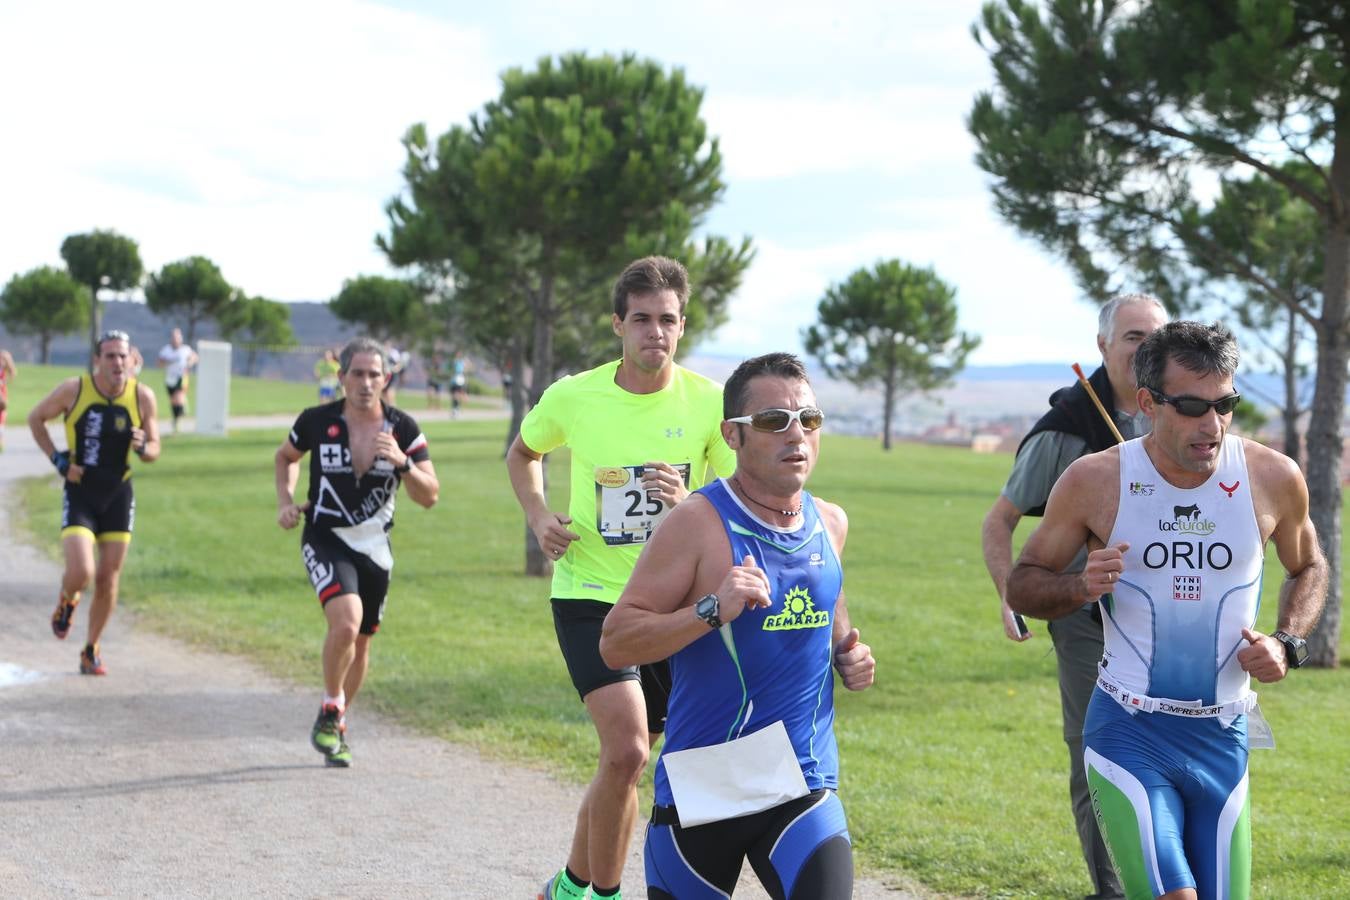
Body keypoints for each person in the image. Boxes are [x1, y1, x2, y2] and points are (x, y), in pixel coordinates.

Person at [1006, 321, 1326, 900]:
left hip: (1224, 736)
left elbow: (1309, 566)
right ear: (1149, 403)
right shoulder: (1097, 479)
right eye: (1192, 407)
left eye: (1226, 404)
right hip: (1129, 731)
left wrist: (1288, 642)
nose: (1213, 425)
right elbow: (1024, 583)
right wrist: (1080, 587)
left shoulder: (1272, 476)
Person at [599, 351, 876, 899]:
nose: (796, 434)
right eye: (774, 421)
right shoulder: (697, 523)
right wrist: (709, 610)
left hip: (801, 778)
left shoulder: (830, 521)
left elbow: (827, 590)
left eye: (809, 419)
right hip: (705, 786)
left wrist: (847, 646)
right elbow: (616, 641)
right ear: (732, 434)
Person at [506, 256, 736, 900]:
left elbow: (728, 504)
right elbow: (524, 452)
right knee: (631, 751)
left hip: (668, 605)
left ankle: (571, 886)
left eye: (667, 320)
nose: (654, 332)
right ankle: (604, 895)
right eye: (641, 319)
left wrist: (688, 496)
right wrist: (537, 514)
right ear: (617, 325)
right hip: (589, 596)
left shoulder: (709, 404)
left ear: (682, 327)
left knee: (622, 764)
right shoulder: (574, 395)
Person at [981, 292, 1167, 900]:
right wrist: (1011, 596)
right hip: (1087, 616)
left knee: (1171, 752)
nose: (1144, 350)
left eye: (1154, 338)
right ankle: (1113, 890)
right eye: (1132, 337)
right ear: (1103, 348)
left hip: (1173, 619)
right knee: (1101, 753)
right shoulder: (1065, 432)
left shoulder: (1178, 415)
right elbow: (1000, 521)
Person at [274, 337, 440, 768]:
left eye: (375, 374)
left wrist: (403, 463)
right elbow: (286, 457)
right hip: (326, 536)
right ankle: (332, 705)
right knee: (345, 623)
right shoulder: (316, 420)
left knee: (362, 644)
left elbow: (430, 495)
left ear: (386, 379)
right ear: (342, 377)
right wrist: (285, 500)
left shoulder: (403, 428)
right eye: (358, 374)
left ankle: (337, 723)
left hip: (375, 547)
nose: (367, 382)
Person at [26, 330, 161, 675]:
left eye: (122, 356)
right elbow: (35, 418)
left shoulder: (142, 396)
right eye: (110, 356)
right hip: (81, 491)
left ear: (133, 360)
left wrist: (144, 446)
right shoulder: (75, 390)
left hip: (118, 493)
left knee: (108, 577)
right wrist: (58, 460)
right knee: (82, 571)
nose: (117, 362)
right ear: (97, 360)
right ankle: (67, 601)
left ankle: (91, 649)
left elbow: (154, 450)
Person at [157, 327, 198, 434]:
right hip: (170, 378)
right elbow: (159, 363)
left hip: (182, 376)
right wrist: (167, 362)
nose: (175, 340)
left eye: (177, 338)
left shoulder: (185, 349)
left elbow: (194, 357)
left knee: (178, 397)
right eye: (174, 338)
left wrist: (190, 363)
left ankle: (181, 407)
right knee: (173, 401)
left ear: (181, 339)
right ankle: (176, 419)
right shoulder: (166, 350)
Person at [0, 347, 16, 452]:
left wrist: (3, 383)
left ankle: (1, 439)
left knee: (2, 413)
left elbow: (12, 375)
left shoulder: (4, 369)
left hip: (1, 392)